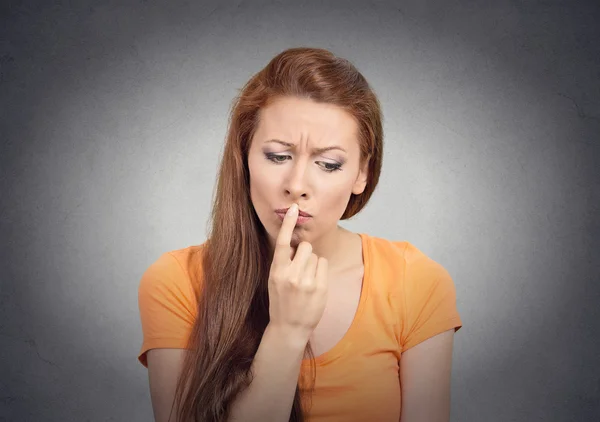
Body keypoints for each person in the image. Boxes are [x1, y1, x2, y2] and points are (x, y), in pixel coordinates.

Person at [137, 47, 463, 422]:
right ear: (243, 158)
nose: (296, 185)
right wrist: (287, 332)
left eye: (328, 164)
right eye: (277, 156)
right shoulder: (176, 281)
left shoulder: (416, 281)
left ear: (362, 174)